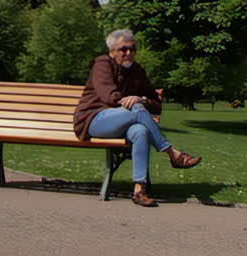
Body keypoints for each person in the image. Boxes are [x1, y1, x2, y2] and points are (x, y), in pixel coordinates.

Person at [73, 29, 202, 207]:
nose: (129, 53)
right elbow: (109, 97)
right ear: (112, 51)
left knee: (140, 131)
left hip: (125, 121)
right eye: (123, 49)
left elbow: (156, 105)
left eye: (133, 49)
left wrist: (139, 98)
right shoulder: (102, 64)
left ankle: (139, 190)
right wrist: (135, 103)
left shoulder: (137, 70)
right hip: (94, 119)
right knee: (137, 109)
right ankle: (173, 154)